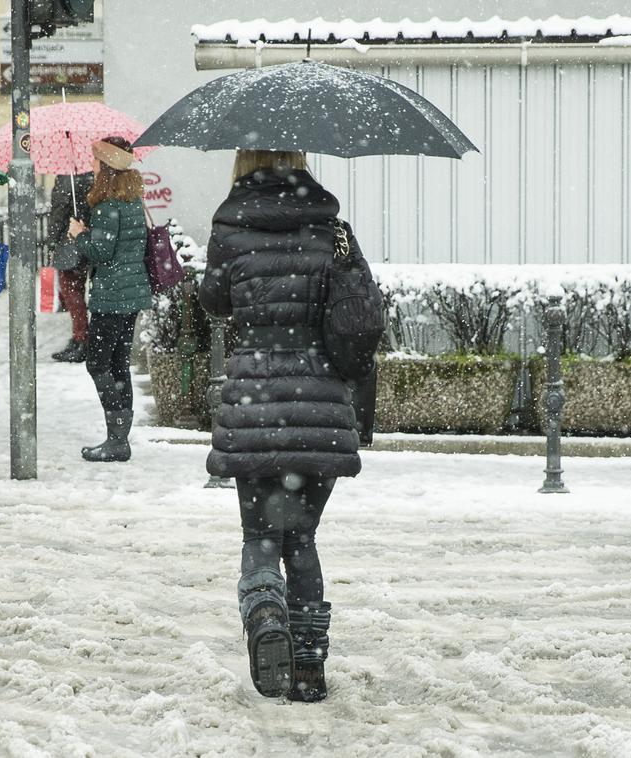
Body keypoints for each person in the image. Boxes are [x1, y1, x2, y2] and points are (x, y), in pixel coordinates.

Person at [199, 149, 365, 702]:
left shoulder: (231, 224)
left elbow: (214, 302)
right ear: (300, 161)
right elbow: (356, 315)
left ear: (244, 160)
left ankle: (266, 616)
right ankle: (310, 666)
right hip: (320, 400)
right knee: (302, 536)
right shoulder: (332, 228)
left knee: (261, 533)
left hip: (256, 397)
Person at [67, 138, 151, 462]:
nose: (92, 165)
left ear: (105, 165)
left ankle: (117, 439)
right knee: (119, 364)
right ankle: (120, 437)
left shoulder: (106, 205)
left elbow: (101, 251)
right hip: (131, 293)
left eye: (95, 160)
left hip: (112, 296)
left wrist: (79, 235)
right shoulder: (131, 199)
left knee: (97, 363)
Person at [49, 172, 94, 362]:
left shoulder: (67, 177)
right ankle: (82, 337)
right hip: (90, 237)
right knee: (81, 292)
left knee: (71, 292)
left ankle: (81, 338)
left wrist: (52, 242)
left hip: (70, 240)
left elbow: (59, 212)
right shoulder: (93, 175)